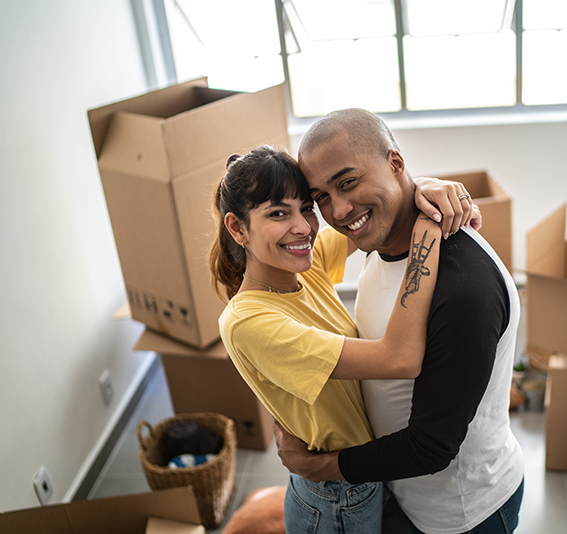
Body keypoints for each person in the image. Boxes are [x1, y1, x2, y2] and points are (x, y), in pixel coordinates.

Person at [274, 109, 525, 534]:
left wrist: (319, 467)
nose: (339, 210)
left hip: (462, 514)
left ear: (395, 164)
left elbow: (431, 447)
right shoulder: (384, 236)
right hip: (404, 495)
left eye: (348, 182)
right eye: (321, 197)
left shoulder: (464, 289)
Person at [208, 145, 477, 533]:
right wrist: (429, 228)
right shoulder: (247, 321)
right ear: (238, 228)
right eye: (279, 214)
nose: (303, 227)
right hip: (335, 497)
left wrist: (426, 188)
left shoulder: (304, 265)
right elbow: (399, 358)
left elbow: (378, 216)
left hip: (360, 475)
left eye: (307, 208)